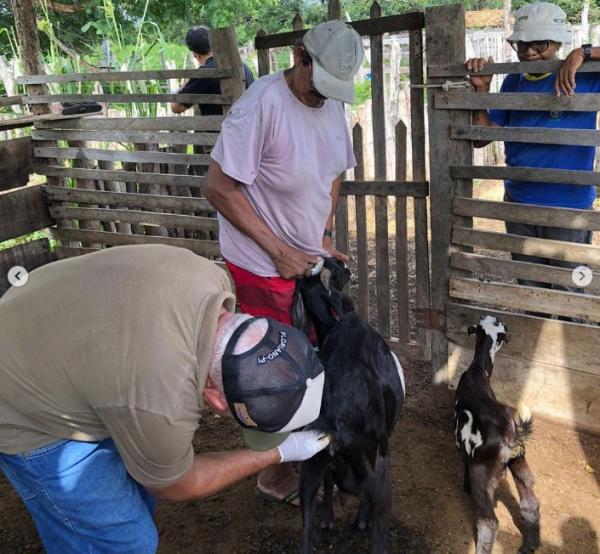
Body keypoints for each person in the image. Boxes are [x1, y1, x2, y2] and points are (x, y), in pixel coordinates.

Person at [0, 244, 330, 552]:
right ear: (214, 399)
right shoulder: (160, 400)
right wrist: (277, 453)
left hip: (48, 325)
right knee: (125, 542)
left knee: (138, 490)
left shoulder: (211, 279)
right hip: (19, 400)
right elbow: (176, 484)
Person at [203, 19, 363, 504]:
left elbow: (334, 171)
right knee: (268, 371)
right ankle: (271, 475)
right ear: (299, 56)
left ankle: (302, 450)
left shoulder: (330, 104)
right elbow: (218, 188)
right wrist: (278, 250)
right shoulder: (260, 107)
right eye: (319, 83)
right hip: (258, 263)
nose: (323, 96)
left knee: (308, 354)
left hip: (304, 259)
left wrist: (322, 232)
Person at [466, 1, 600, 295]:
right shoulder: (514, 80)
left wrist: (584, 52)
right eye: (522, 44)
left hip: (570, 209)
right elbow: (481, 137)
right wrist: (481, 90)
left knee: (570, 296)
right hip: (519, 204)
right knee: (530, 291)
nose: (528, 52)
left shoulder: (586, 74)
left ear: (558, 42)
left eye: (538, 44)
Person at [170, 25, 255, 116]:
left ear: (195, 55)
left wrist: (189, 80)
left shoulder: (204, 74)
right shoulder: (243, 67)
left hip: (219, 129)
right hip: (248, 127)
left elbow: (175, 107)